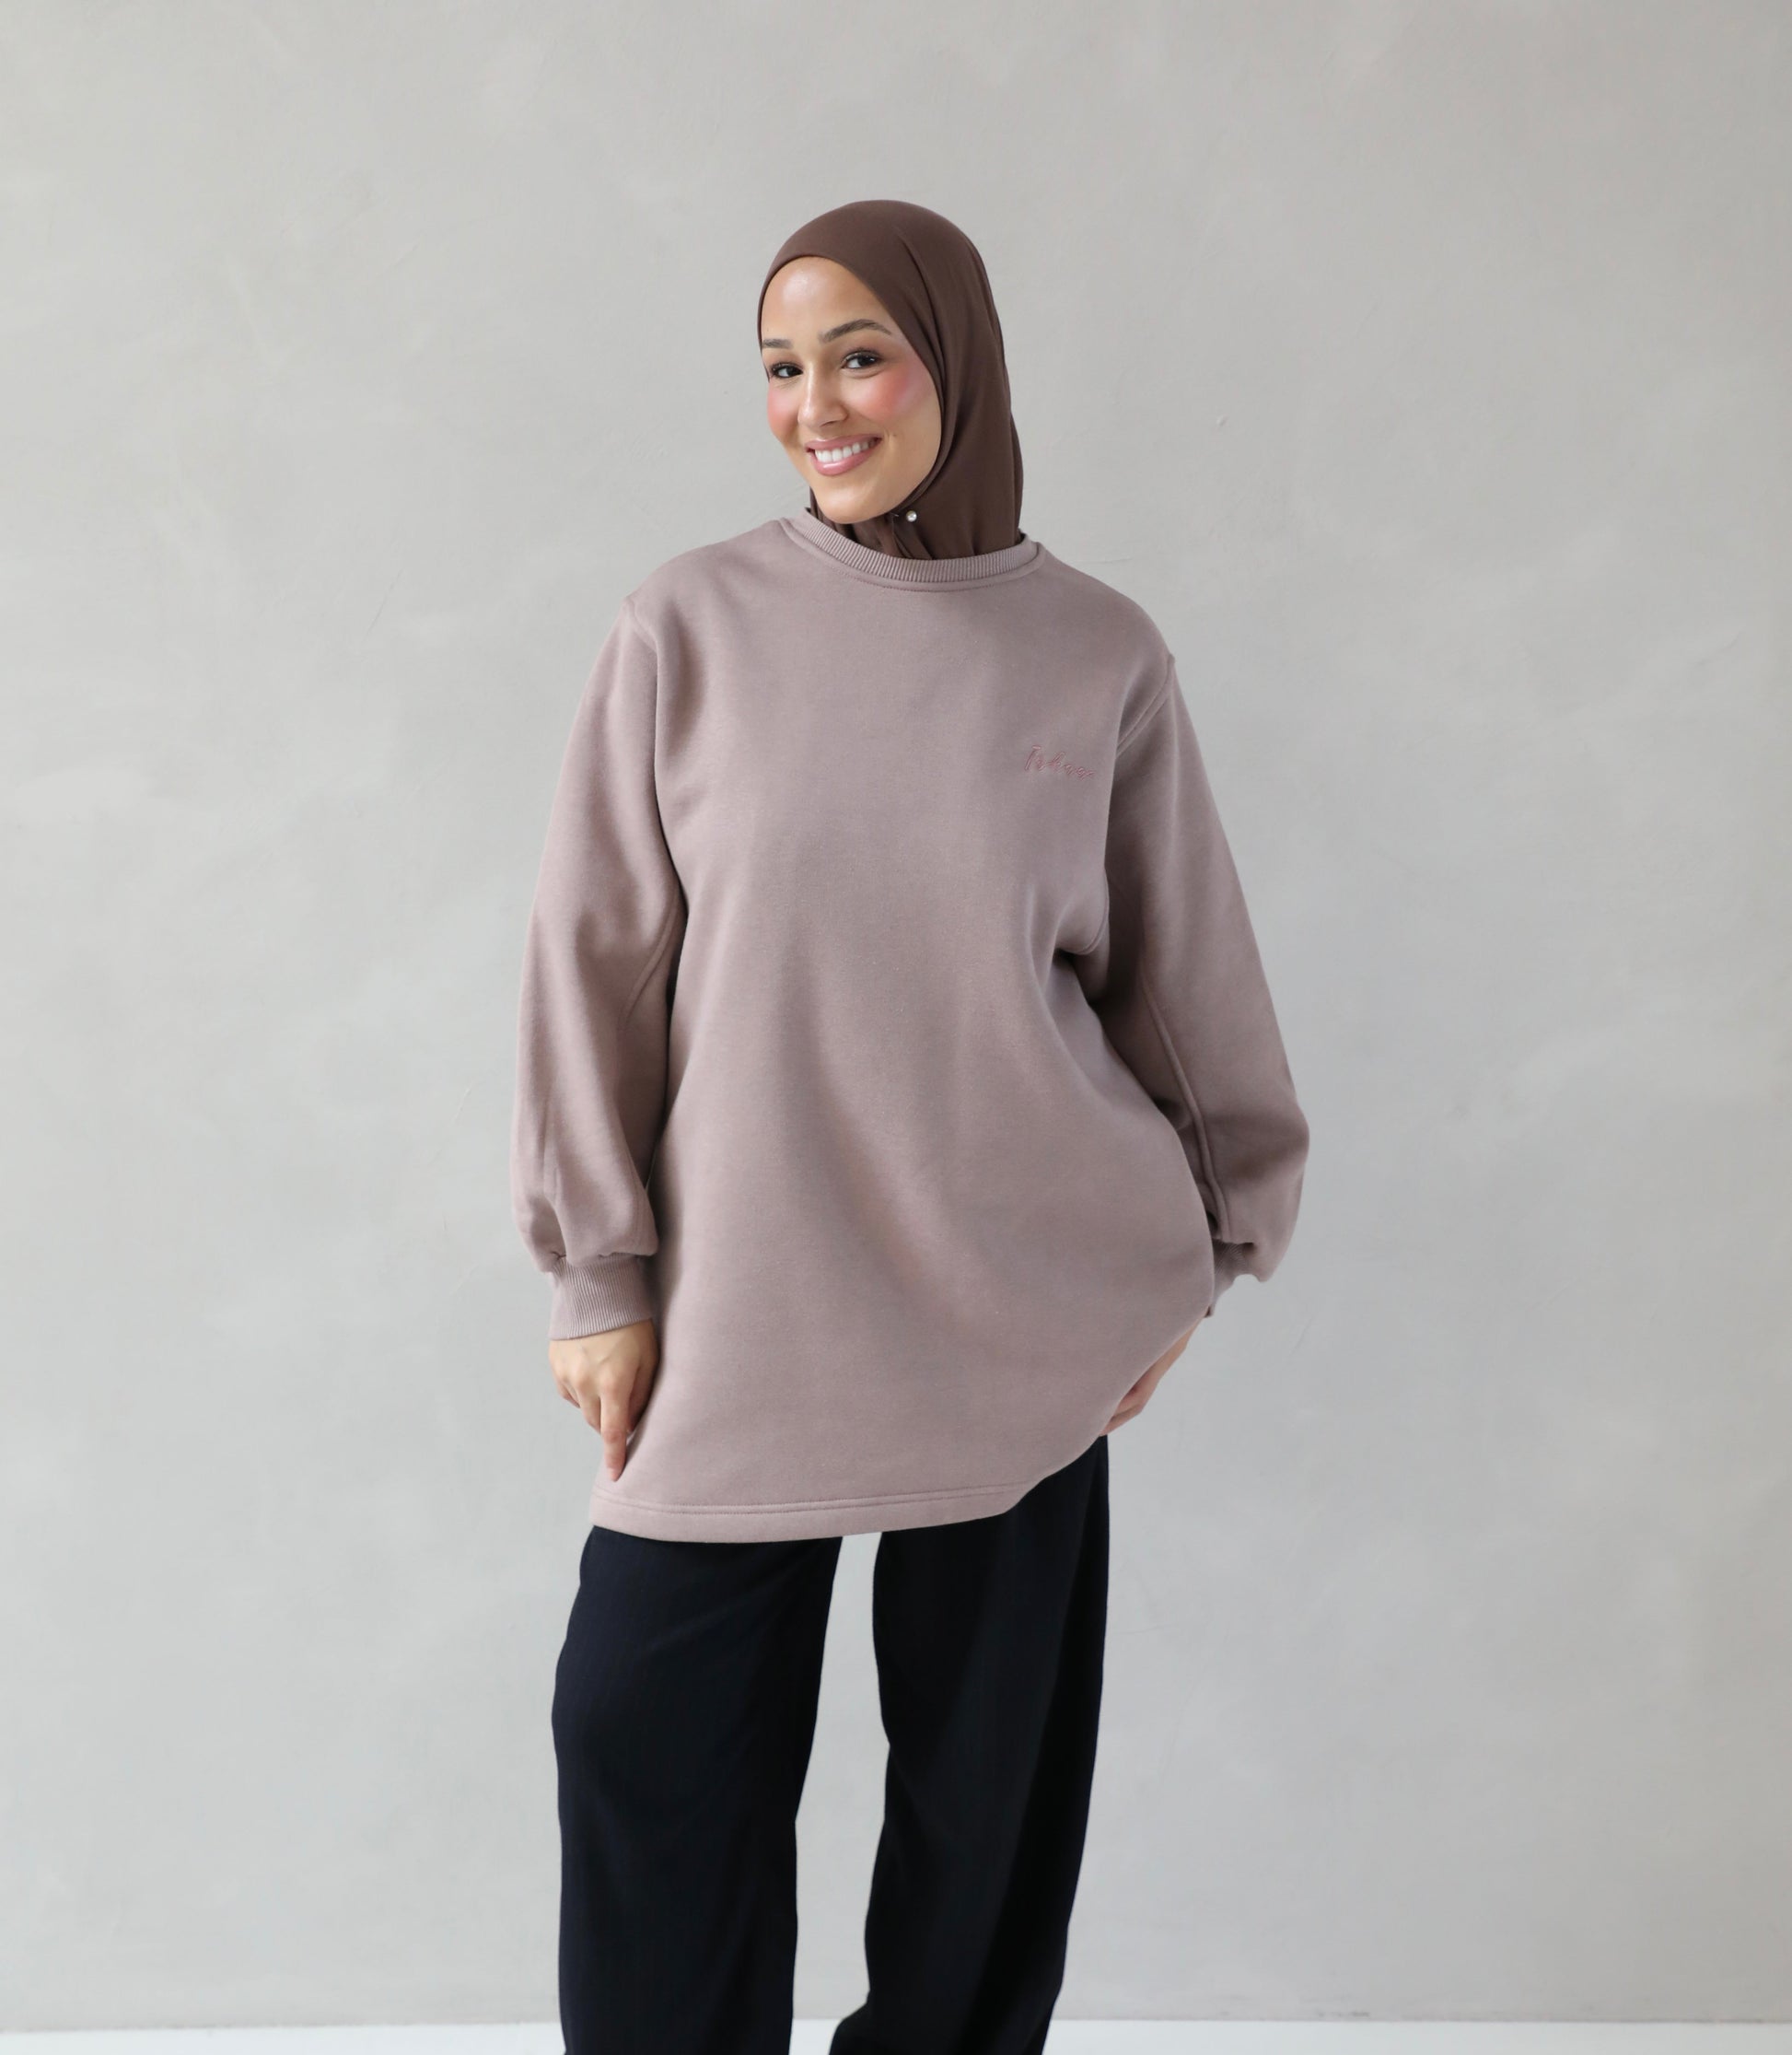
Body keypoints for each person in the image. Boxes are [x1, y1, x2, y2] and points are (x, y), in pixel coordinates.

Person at [510, 198, 1310, 2055]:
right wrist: (600, 1271)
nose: (815, 407)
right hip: (749, 1301)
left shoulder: (1092, 652)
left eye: (860, 356)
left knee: (983, 1799)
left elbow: (1178, 976)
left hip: (1027, 1296)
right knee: (638, 1725)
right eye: (780, 367)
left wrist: (1204, 1250)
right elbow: (594, 962)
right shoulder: (687, 628)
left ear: (957, 362)